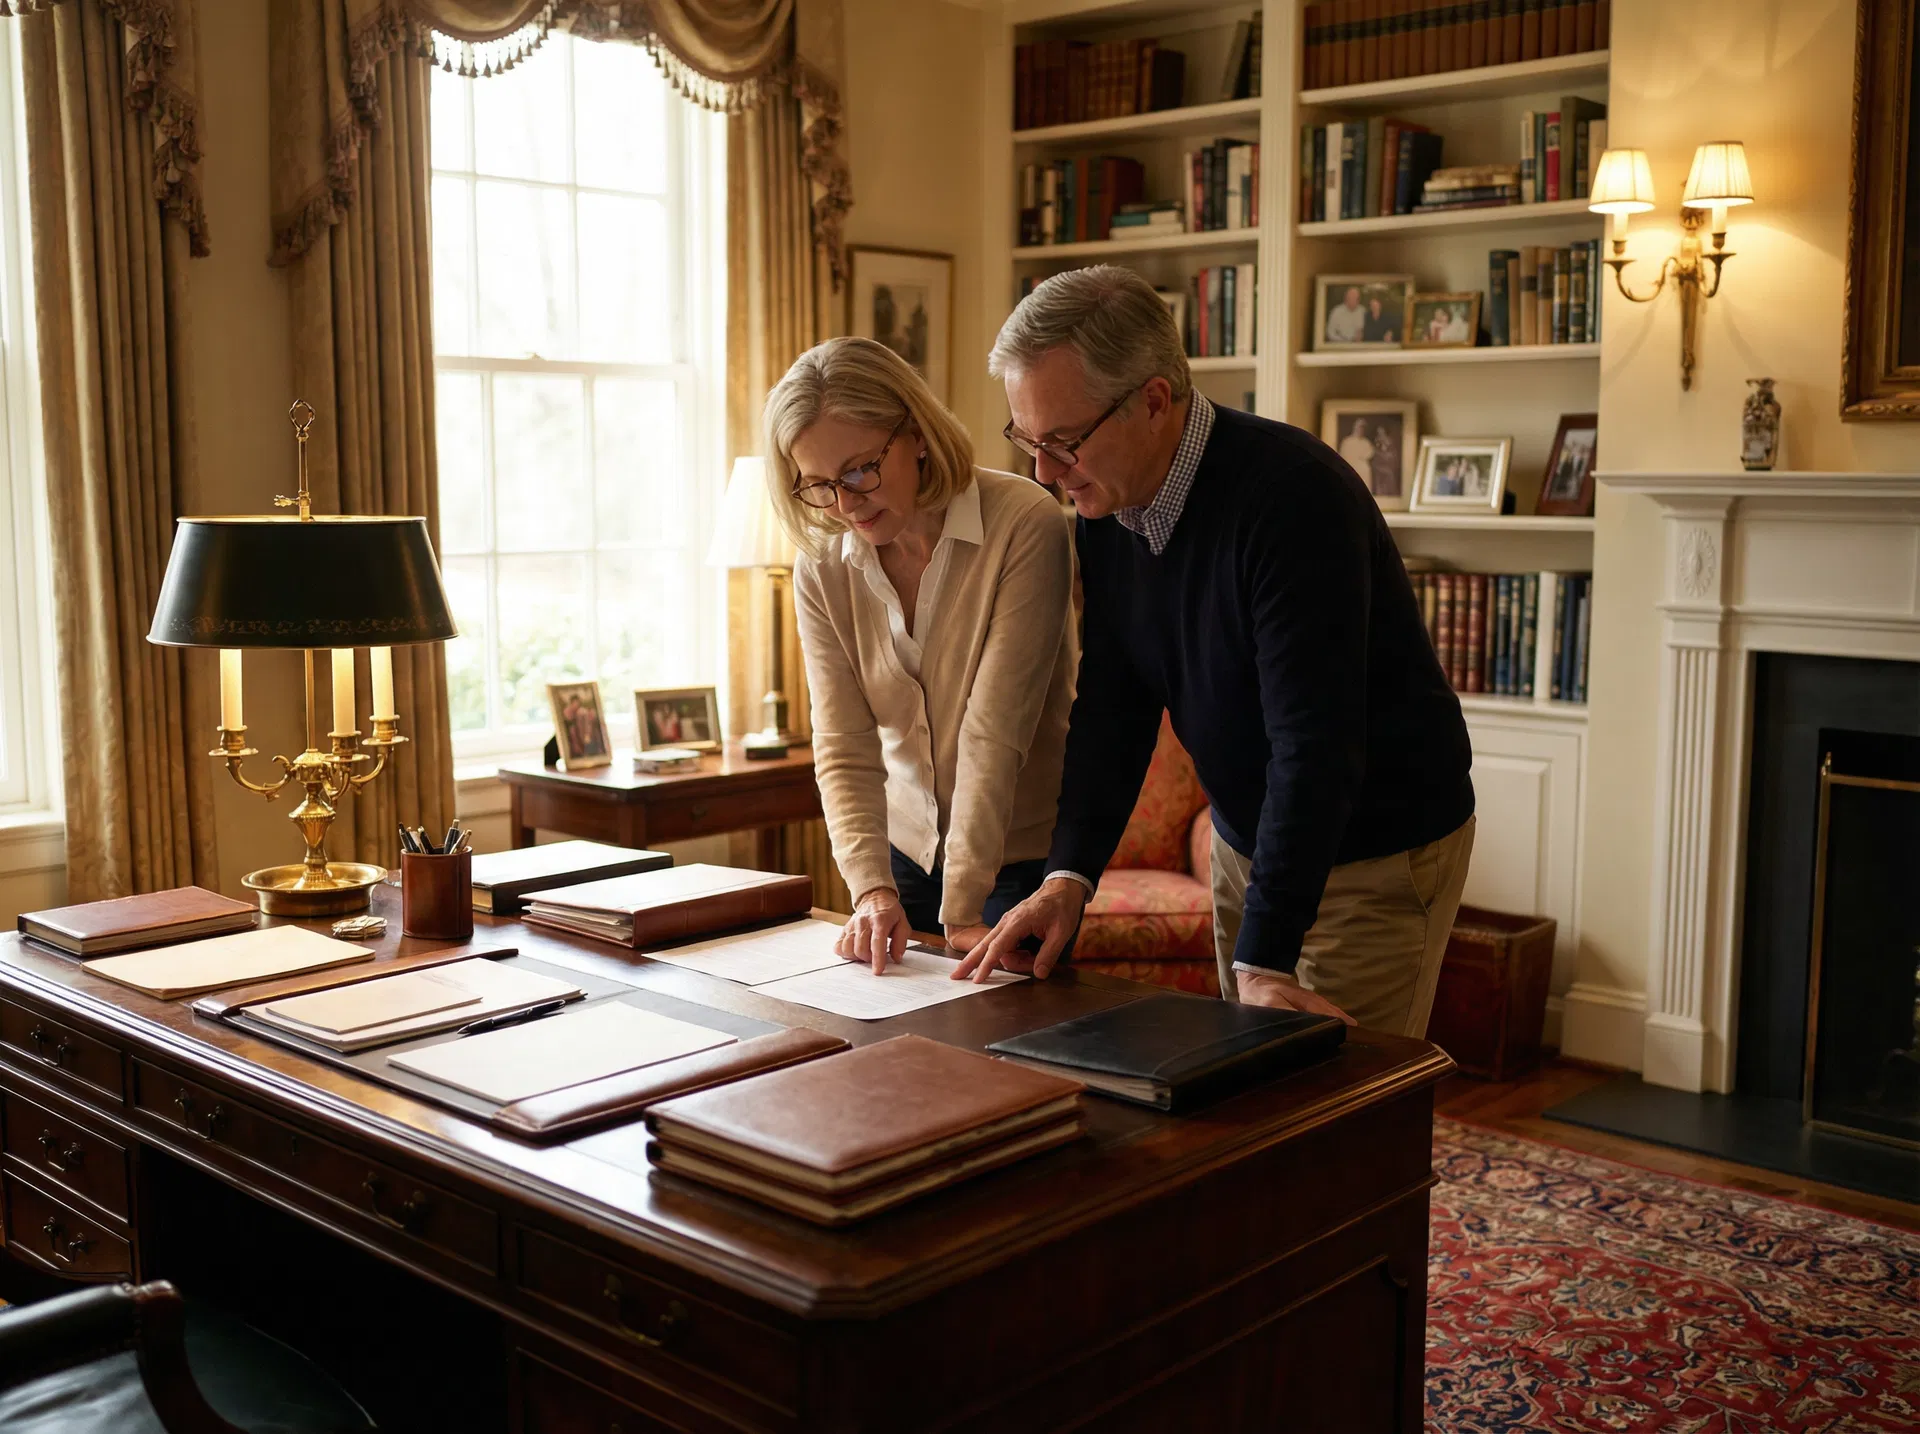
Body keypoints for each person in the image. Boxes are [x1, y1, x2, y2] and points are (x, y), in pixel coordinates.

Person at [964, 266, 1476, 1037]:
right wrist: (1068, 875)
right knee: (1251, 1082)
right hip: (1244, 839)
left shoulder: (1294, 499)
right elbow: (1113, 705)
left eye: (1062, 442)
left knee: (1340, 1098)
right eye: (1028, 441)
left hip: (1371, 850)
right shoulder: (1107, 503)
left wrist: (1265, 954)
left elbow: (1314, 744)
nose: (1044, 473)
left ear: (1153, 401)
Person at [763, 336, 1077, 971]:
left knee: (1010, 1033)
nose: (845, 505)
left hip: (1017, 862)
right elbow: (843, 743)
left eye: (859, 471)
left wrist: (962, 908)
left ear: (917, 435)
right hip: (904, 853)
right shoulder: (822, 565)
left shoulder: (1024, 522)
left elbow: (994, 733)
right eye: (819, 485)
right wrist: (870, 890)